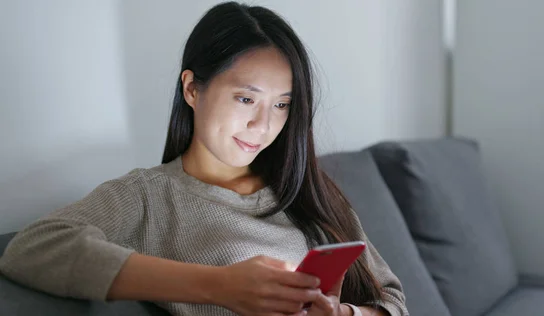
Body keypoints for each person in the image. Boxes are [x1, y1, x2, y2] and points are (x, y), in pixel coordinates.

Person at [0, 2, 409, 316]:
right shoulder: (150, 197)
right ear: (192, 90)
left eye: (282, 105)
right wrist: (220, 286)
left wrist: (345, 312)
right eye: (246, 98)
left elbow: (392, 299)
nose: (262, 125)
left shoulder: (307, 190)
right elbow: (31, 249)